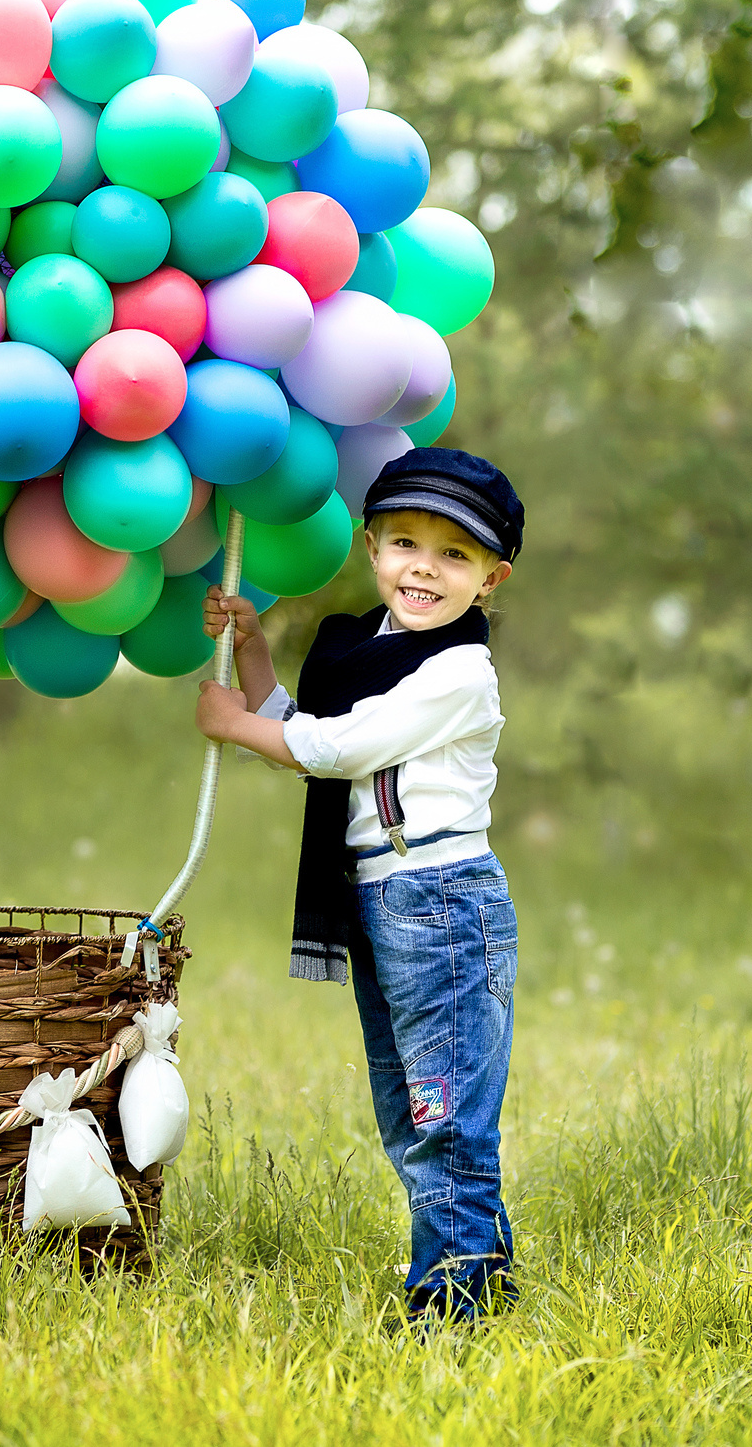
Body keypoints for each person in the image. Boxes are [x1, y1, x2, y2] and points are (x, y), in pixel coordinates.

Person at [195, 447, 525, 1322]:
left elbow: (338, 750)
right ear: (371, 544)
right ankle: (484, 1281)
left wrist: (229, 723)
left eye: (455, 555)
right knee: (409, 1113)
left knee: (444, 1116)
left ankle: (453, 1310)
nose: (424, 567)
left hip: (444, 903)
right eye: (406, 542)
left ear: (490, 579)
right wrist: (255, 657)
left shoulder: (460, 672)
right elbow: (307, 734)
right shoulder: (359, 647)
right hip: (383, 902)